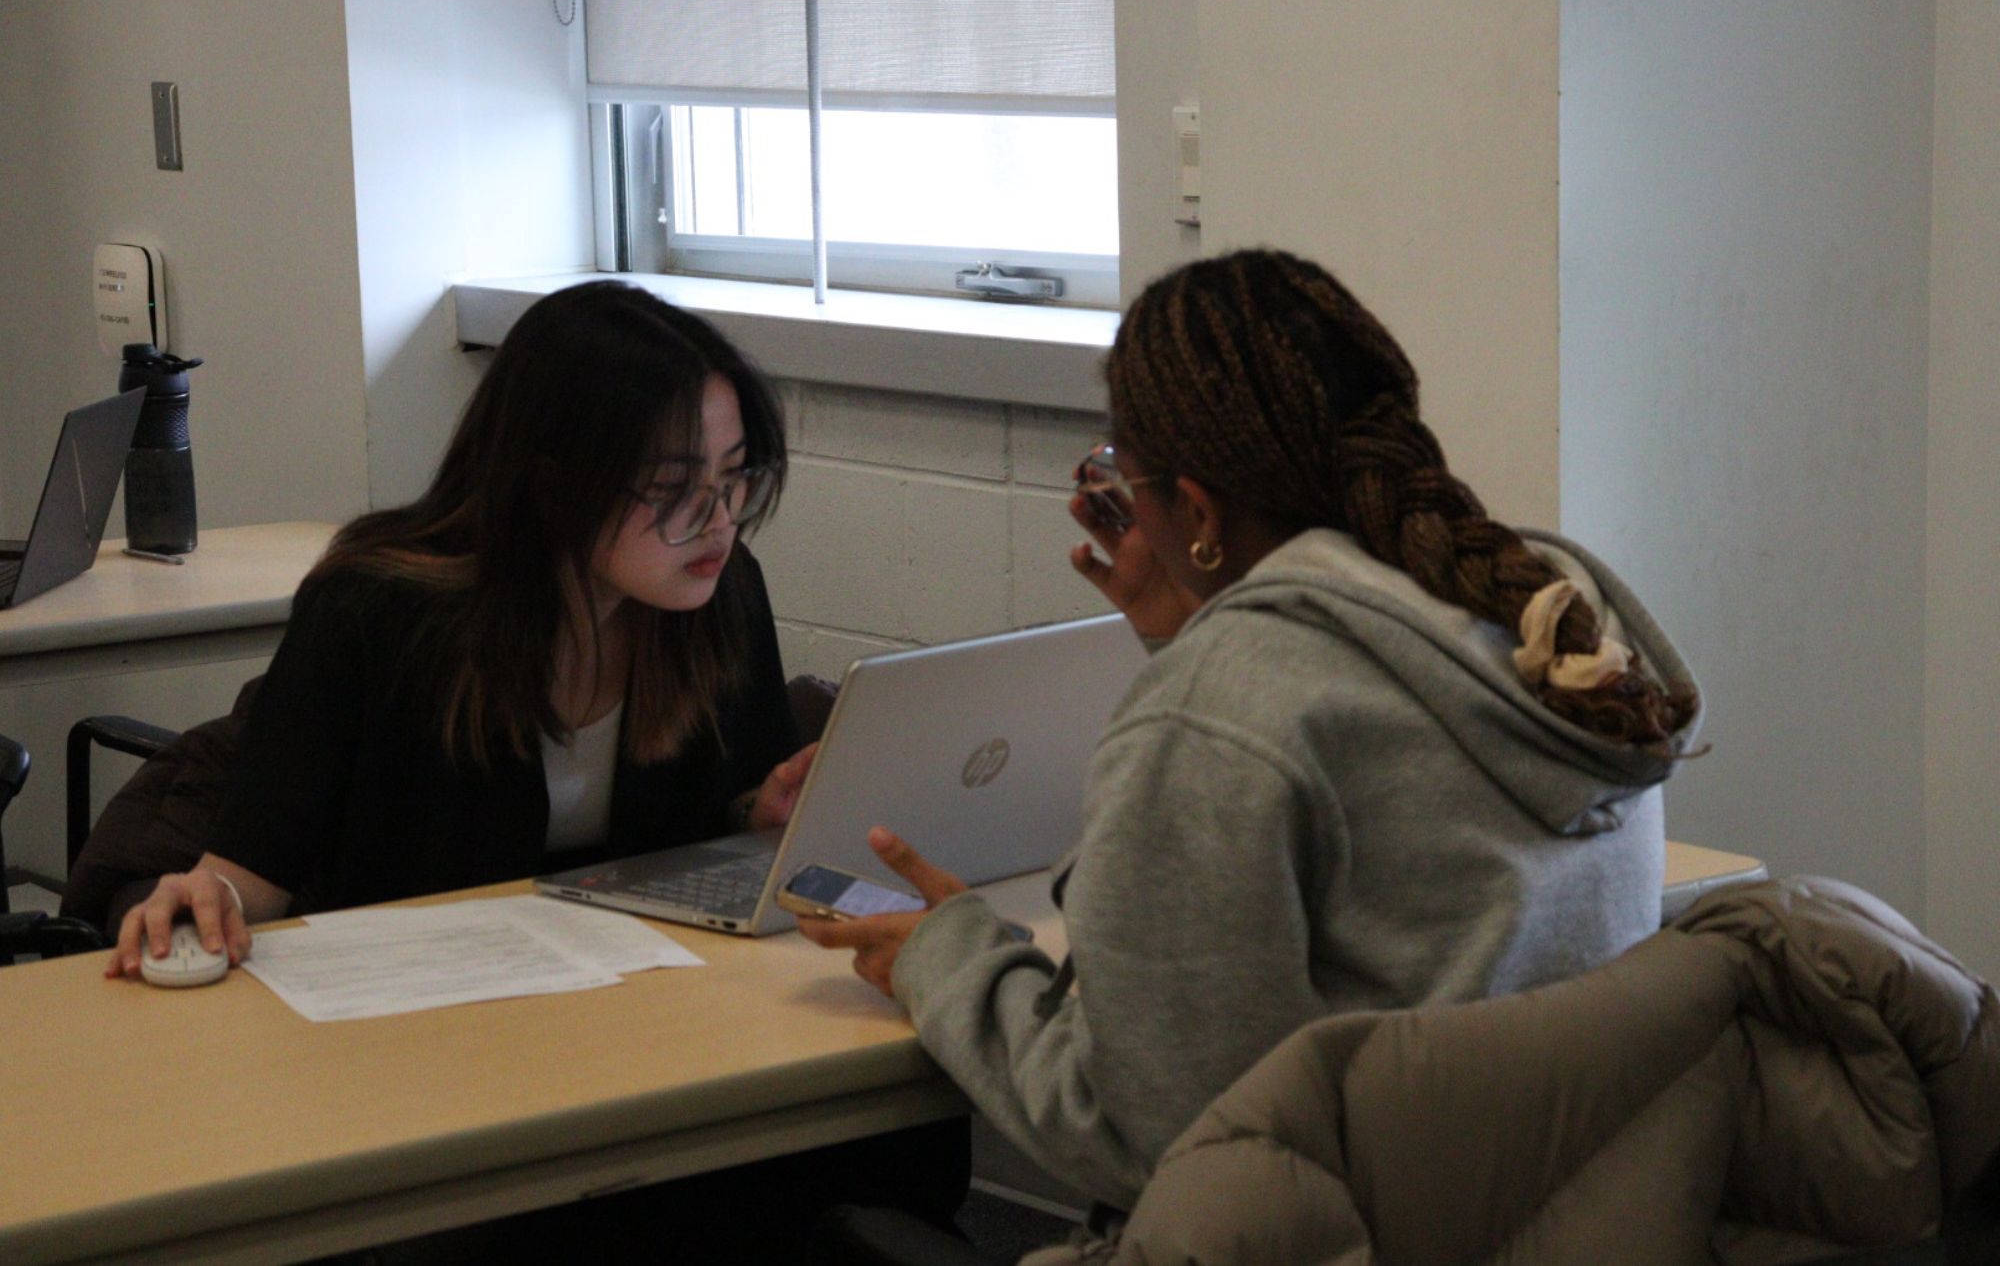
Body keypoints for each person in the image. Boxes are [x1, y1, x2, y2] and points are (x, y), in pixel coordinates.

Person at [800, 248, 1704, 1212]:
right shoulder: (1542, 626)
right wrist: (1198, 632)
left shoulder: (1221, 713)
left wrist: (951, 962)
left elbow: (1155, 1140)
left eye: (1123, 478)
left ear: (1194, 508)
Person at [104, 279, 966, 1263]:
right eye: (676, 486)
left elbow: (713, 813)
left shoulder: (715, 598)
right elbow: (248, 869)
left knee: (862, 1148)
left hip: (637, 1028)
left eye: (734, 477)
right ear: (555, 479)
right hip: (414, 1049)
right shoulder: (375, 611)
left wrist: (757, 809)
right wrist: (202, 897)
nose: (718, 519)